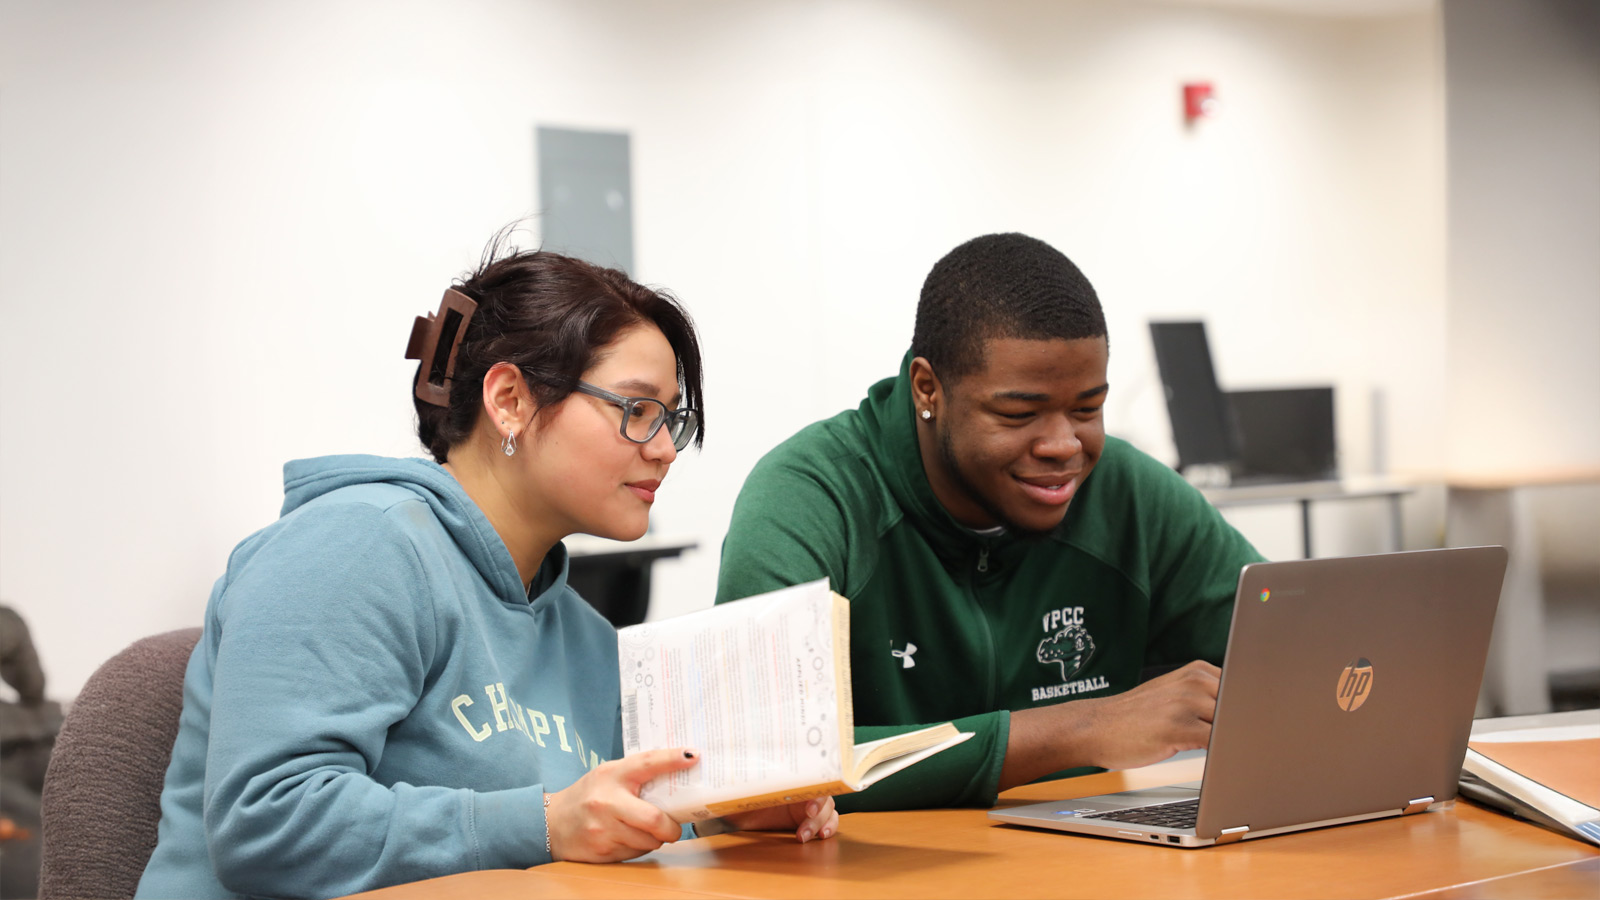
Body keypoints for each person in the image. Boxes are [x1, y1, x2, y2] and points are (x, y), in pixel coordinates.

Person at [137, 238, 836, 900]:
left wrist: (711, 815)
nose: (665, 450)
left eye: (671, 420)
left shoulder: (582, 635)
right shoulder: (357, 547)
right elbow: (265, 822)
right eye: (638, 411)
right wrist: (543, 824)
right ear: (510, 401)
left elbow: (594, 822)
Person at [715, 232, 1264, 812]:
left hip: (1085, 867)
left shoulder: (1128, 493)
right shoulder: (811, 496)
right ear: (929, 388)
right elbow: (756, 763)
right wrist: (1081, 728)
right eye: (1018, 413)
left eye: (1088, 409)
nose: (1063, 445)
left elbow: (1301, 654)